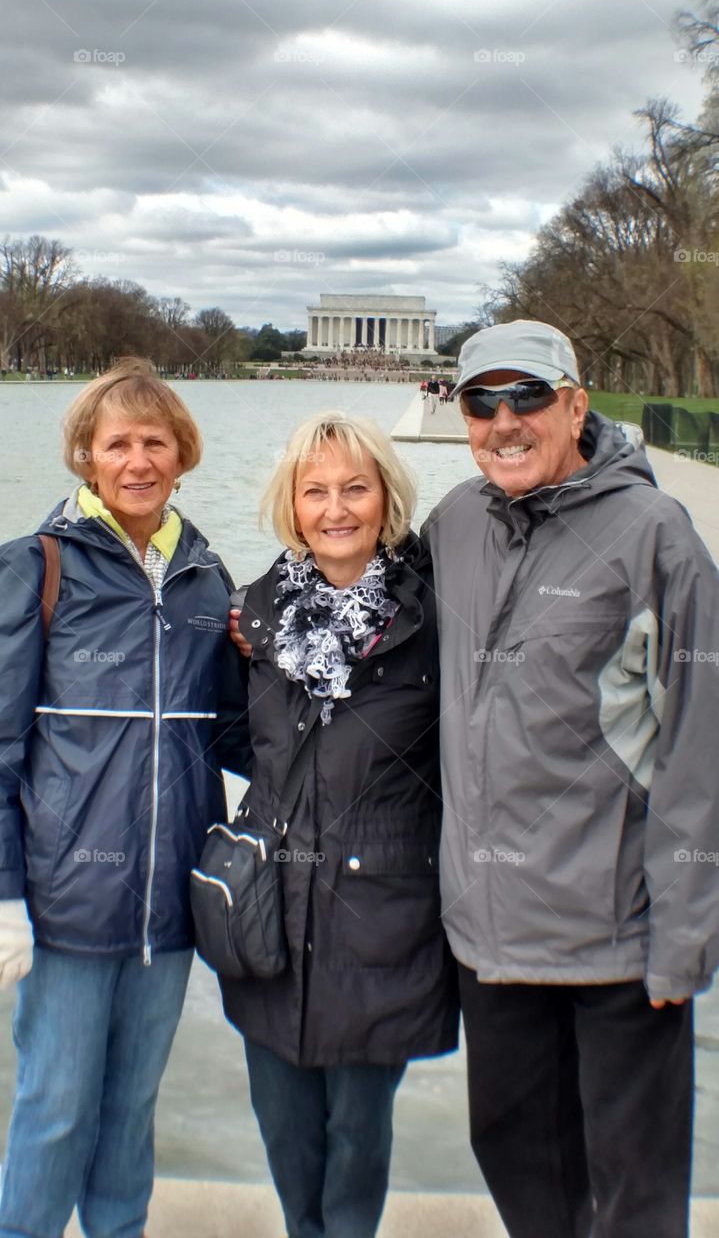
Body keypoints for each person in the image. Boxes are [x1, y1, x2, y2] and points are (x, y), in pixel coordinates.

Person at [423, 319, 719, 1238]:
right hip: (490, 933)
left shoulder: (655, 535)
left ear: (576, 404)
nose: (503, 421)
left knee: (633, 1198)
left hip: (616, 938)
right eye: (481, 402)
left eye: (528, 397)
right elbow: (375, 631)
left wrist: (685, 936)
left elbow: (700, 746)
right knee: (518, 1165)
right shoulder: (455, 521)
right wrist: (254, 623)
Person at [0, 357, 250, 1238]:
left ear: (182, 455)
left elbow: (235, 738)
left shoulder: (208, 578)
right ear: (86, 456)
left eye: (155, 442)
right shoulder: (36, 567)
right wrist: (4, 896)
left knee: (132, 1107)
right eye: (117, 444)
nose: (137, 461)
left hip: (173, 900)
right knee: (56, 1108)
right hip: (64, 900)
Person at [223, 412, 458, 1238]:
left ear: (385, 496)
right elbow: (232, 739)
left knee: (356, 1138)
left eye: (354, 488)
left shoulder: (433, 616)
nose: (334, 509)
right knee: (285, 1133)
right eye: (314, 490)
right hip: (268, 917)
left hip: (380, 917)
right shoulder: (254, 616)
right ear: (289, 504)